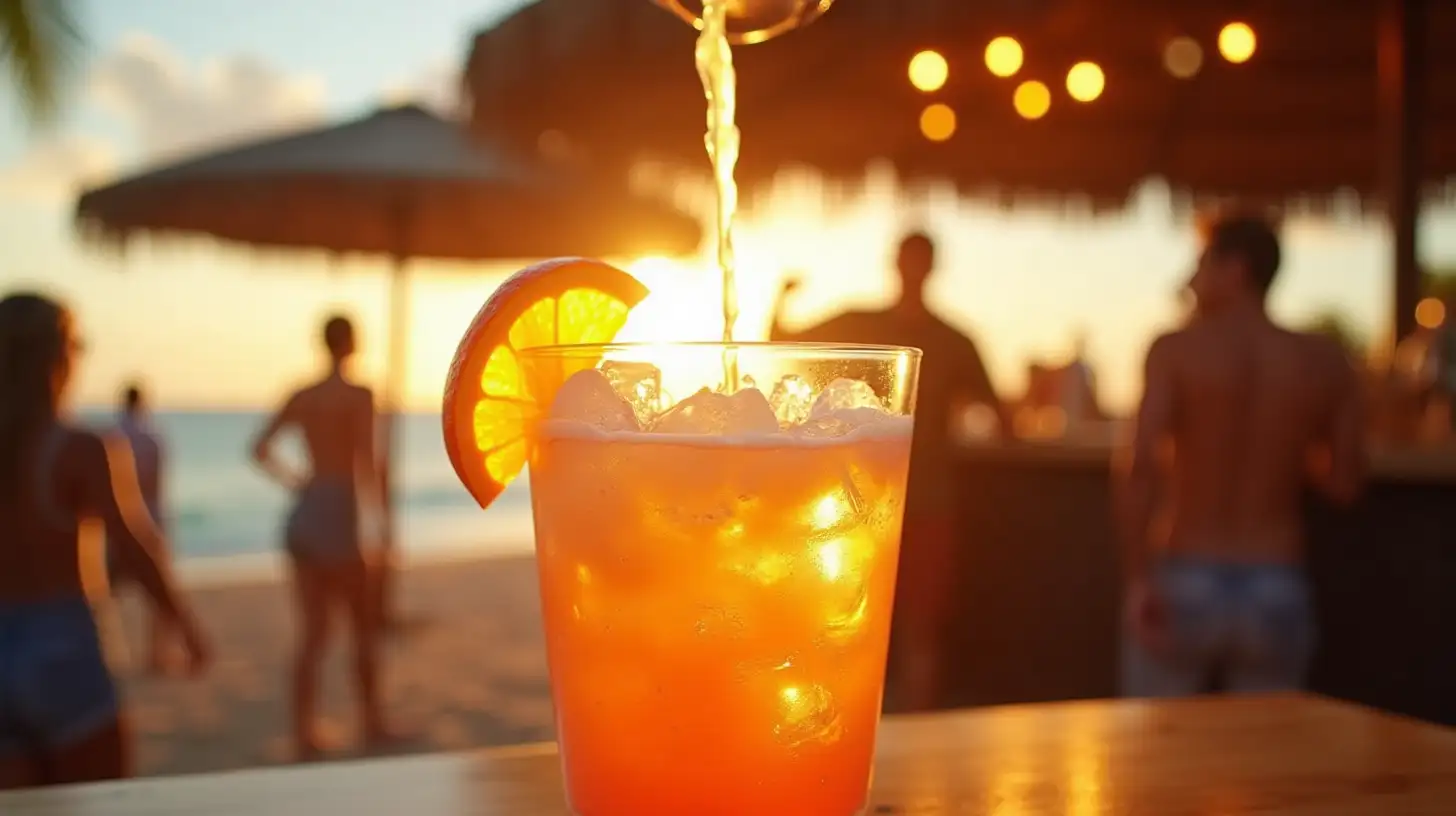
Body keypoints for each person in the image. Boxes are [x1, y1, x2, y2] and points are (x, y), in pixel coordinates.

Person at [1116, 213, 1366, 698]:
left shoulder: (1177, 350)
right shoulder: (1324, 360)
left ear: (1236, 269)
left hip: (1184, 573)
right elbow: (1346, 483)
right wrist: (1286, 447)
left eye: (1201, 264)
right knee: (1263, 761)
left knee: (1152, 757)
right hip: (1276, 582)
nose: (1188, 280)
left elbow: (1139, 465)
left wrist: (1137, 580)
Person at [771, 231, 1012, 712]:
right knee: (843, 628)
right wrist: (781, 297)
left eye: (918, 261)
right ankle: (849, 731)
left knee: (919, 633)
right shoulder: (863, 323)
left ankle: (912, 739)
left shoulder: (954, 340)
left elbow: (1001, 416)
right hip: (853, 509)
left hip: (928, 505)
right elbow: (781, 341)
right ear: (898, 264)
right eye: (908, 260)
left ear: (928, 267)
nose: (912, 269)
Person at [0, 292, 210, 790]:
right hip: (61, 643)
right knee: (94, 799)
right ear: (59, 357)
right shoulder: (78, 450)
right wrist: (181, 623)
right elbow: (134, 547)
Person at [250, 314, 398, 759]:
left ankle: (303, 731)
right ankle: (371, 722)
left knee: (313, 633)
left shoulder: (304, 395)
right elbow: (369, 464)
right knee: (361, 626)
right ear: (352, 345)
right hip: (340, 514)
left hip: (308, 509)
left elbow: (259, 449)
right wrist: (384, 525)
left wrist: (297, 480)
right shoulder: (359, 395)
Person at [105, 382, 181, 674]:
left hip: (115, 524)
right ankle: (156, 655)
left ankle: (107, 651)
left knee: (106, 591)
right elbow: (158, 483)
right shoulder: (153, 436)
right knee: (156, 591)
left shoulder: (111, 435)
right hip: (150, 515)